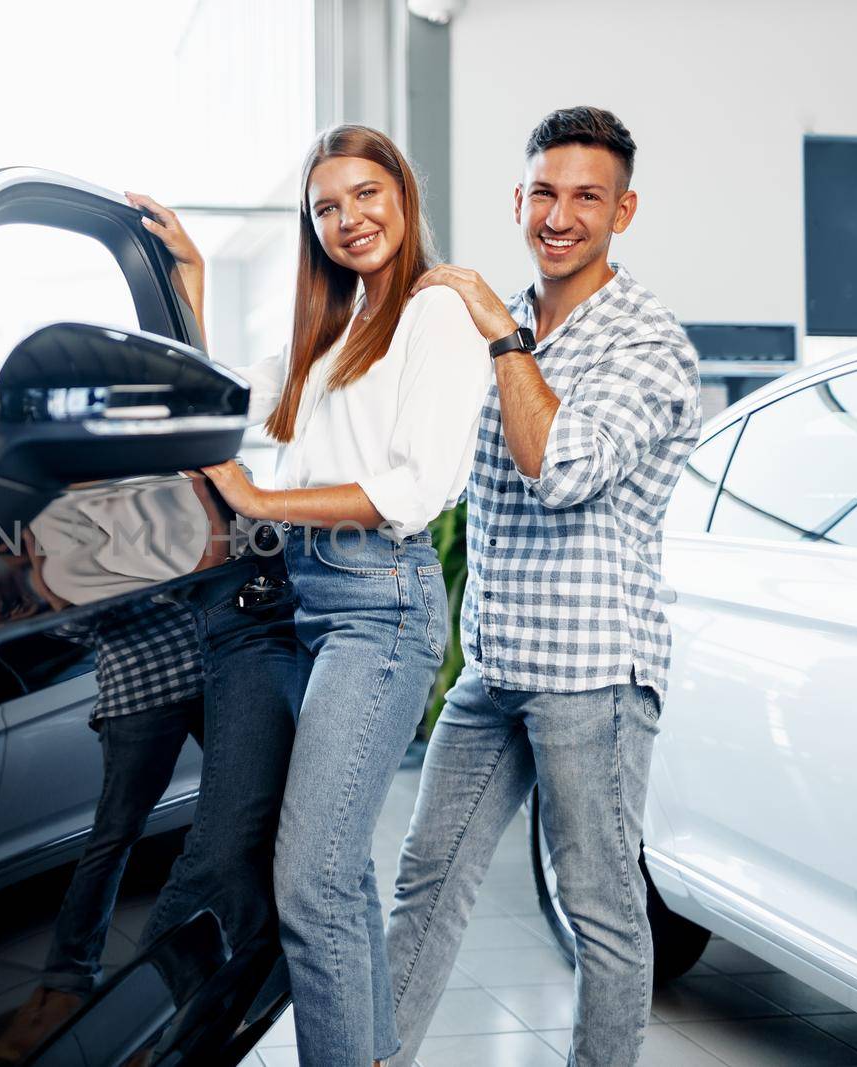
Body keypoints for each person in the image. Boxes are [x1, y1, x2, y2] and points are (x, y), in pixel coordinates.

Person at [128, 122, 492, 1067]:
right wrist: (193, 287)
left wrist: (260, 497)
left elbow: (411, 488)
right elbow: (227, 403)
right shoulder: (333, 336)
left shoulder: (434, 313)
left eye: (365, 194)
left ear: (403, 196)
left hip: (381, 603)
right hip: (305, 603)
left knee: (314, 878)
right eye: (326, 206)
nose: (348, 218)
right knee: (338, 876)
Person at [382, 106, 702, 1067]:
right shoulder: (508, 327)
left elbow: (560, 468)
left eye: (587, 198)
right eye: (546, 194)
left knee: (600, 909)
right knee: (424, 883)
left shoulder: (649, 346)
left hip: (593, 672)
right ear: (519, 199)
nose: (561, 216)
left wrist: (500, 340)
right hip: (496, 665)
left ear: (624, 210)